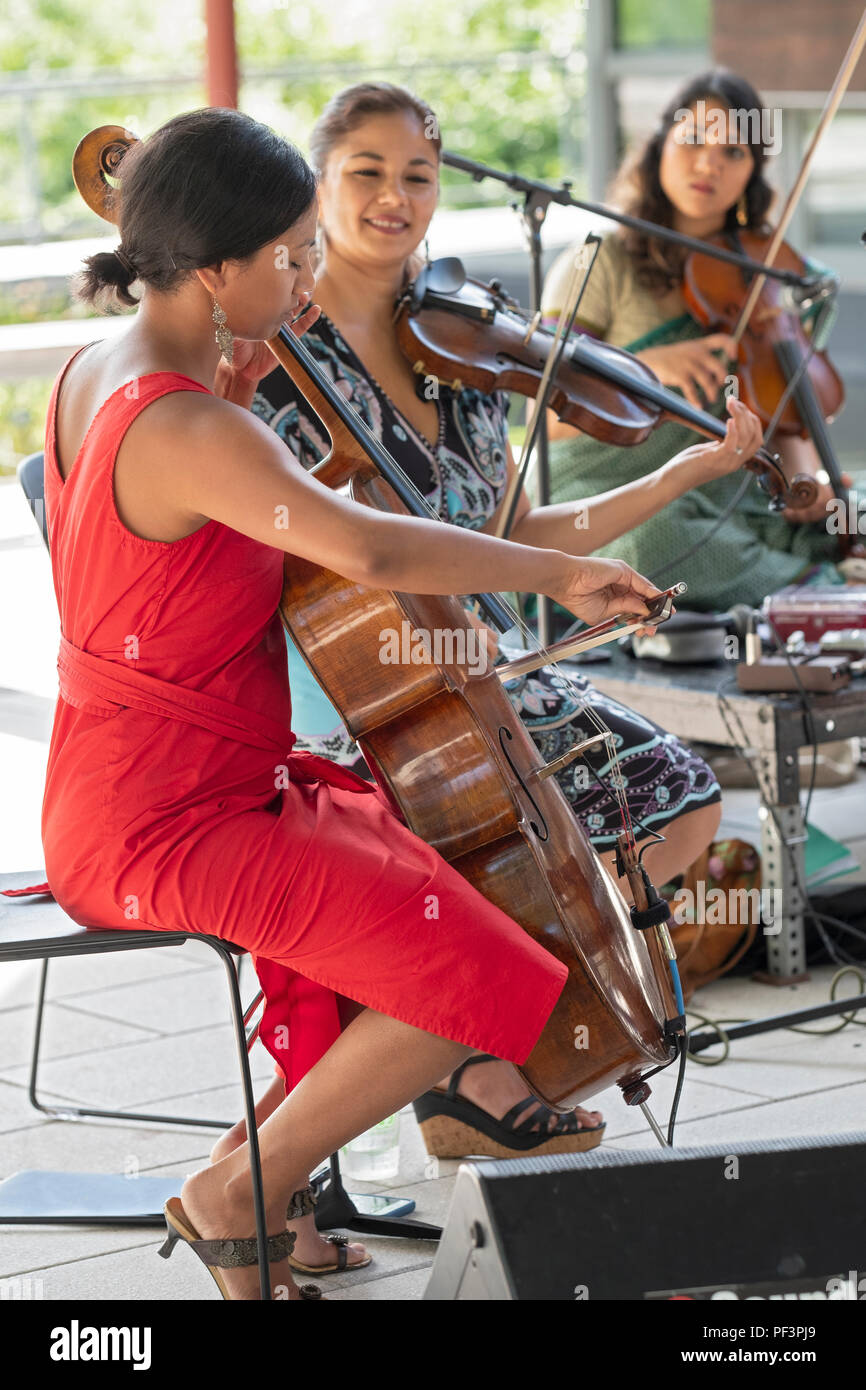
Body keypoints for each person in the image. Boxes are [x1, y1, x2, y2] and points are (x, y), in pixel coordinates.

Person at [41, 107, 667, 1300]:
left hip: (149, 784)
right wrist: (561, 574)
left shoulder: (109, 370)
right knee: (486, 977)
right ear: (213, 269)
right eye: (287, 257)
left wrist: (253, 341)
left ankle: (252, 1183)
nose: (306, 277)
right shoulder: (192, 424)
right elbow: (370, 552)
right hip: (169, 818)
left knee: (436, 919)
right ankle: (240, 1194)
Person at [251, 82, 763, 1160]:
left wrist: (679, 471)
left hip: (481, 670)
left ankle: (474, 1048)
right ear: (317, 184)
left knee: (676, 805)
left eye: (418, 175)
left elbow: (517, 523)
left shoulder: (460, 348)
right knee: (497, 853)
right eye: (367, 172)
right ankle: (471, 1069)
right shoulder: (277, 349)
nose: (395, 197)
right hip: (356, 674)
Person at [542, 68, 847, 616]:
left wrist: (806, 483)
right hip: (599, 491)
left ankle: (793, 582)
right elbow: (543, 415)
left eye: (734, 151)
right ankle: (807, 589)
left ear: (752, 172)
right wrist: (645, 370)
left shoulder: (766, 274)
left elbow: (783, 413)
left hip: (724, 491)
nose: (709, 163)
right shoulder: (596, 260)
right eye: (693, 140)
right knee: (654, 540)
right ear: (659, 147)